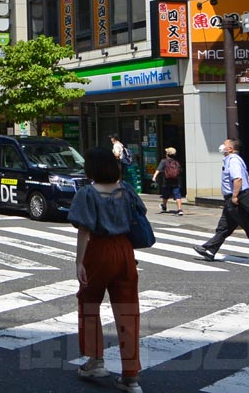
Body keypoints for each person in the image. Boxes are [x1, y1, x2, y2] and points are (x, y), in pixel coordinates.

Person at [68, 147, 142, 393]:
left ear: (92, 169)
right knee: (128, 308)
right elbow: (138, 215)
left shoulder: (87, 193)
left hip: (98, 250)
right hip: (125, 249)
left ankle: (95, 360)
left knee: (89, 301)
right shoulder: (127, 191)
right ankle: (131, 376)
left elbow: (83, 230)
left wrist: (79, 262)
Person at [194, 139, 249, 266]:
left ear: (231, 149)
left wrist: (234, 197)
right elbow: (248, 179)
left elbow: (238, 179)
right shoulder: (234, 160)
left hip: (236, 199)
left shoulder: (233, 160)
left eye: (225, 145)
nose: (222, 146)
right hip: (232, 199)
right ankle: (209, 250)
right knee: (224, 227)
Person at [152, 147, 183, 216]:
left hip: (166, 181)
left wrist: (154, 176)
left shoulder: (164, 161)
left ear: (167, 154)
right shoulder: (176, 162)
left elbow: (158, 169)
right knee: (178, 195)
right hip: (175, 181)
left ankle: (164, 207)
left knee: (165, 195)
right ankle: (180, 209)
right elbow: (180, 171)